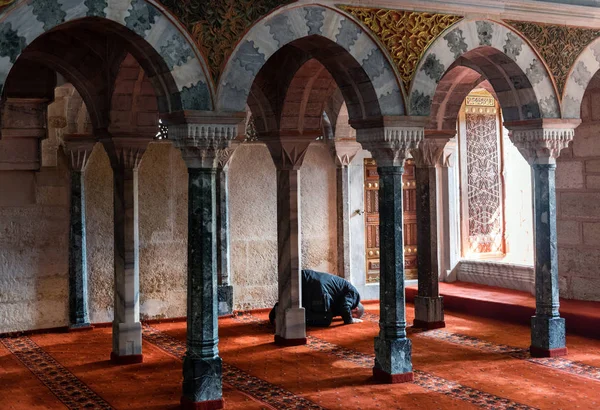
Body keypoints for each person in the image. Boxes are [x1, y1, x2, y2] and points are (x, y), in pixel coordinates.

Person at [269, 269, 364, 327]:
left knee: (297, 302)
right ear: (355, 309)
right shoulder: (355, 295)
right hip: (317, 287)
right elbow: (345, 305)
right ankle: (289, 321)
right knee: (325, 319)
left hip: (304, 277)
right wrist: (349, 320)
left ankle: (275, 316)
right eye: (353, 315)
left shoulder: (344, 287)